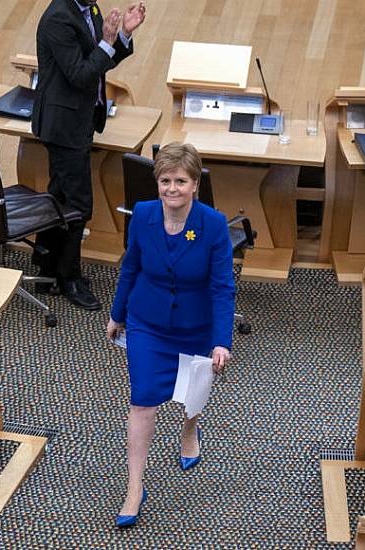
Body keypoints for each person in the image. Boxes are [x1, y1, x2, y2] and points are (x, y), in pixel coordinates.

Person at [106, 142, 235, 528]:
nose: (171, 188)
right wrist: (117, 315)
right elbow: (130, 268)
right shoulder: (143, 215)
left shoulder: (212, 224)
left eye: (180, 180)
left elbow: (222, 287)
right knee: (143, 399)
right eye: (165, 180)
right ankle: (134, 487)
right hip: (147, 321)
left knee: (192, 393)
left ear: (195, 184)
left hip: (196, 326)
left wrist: (221, 340)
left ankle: (190, 430)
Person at [32, 0, 145, 310]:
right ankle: (70, 277)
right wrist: (108, 41)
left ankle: (46, 264)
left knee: (60, 193)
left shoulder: (89, 8)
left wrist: (122, 35)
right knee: (78, 204)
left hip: (78, 119)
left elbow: (101, 60)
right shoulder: (58, 18)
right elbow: (81, 75)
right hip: (63, 125)